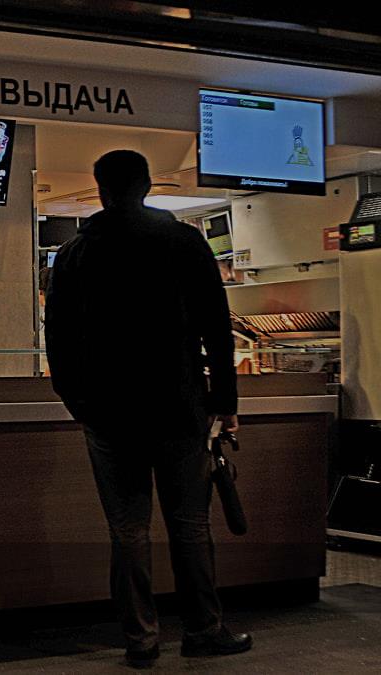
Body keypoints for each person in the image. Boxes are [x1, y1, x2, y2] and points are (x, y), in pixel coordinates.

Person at [44, 150, 252, 667]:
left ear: (100, 190)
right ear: (147, 187)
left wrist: (78, 403)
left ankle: (141, 640)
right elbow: (216, 327)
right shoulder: (184, 242)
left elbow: (59, 340)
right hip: (178, 407)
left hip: (109, 414)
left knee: (128, 530)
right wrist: (224, 401)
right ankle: (204, 630)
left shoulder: (75, 253)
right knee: (190, 525)